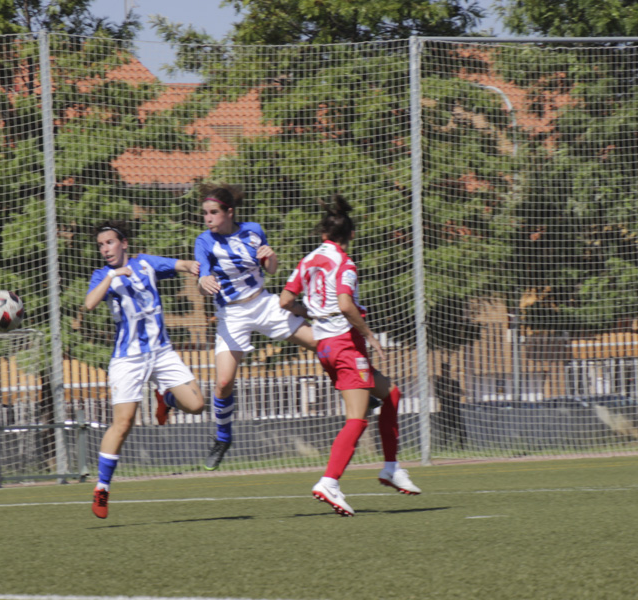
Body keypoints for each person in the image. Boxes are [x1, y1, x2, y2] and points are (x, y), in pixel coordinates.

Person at [279, 194, 421, 517]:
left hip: (324, 345)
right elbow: (345, 304)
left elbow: (285, 301)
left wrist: (315, 312)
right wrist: (370, 335)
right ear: (351, 236)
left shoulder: (308, 260)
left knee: (391, 393)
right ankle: (329, 481)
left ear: (323, 235)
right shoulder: (345, 263)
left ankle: (390, 466)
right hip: (344, 343)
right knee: (356, 418)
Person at [83, 220, 206, 518]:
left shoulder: (146, 263)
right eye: (101, 245)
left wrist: (194, 265)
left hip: (162, 352)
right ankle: (102, 489)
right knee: (123, 423)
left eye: (109, 243)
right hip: (128, 359)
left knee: (198, 404)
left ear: (124, 243)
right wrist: (113, 275)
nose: (105, 249)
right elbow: (88, 304)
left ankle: (166, 398)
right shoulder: (103, 275)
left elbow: (181, 264)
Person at [193, 183, 319, 470]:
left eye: (213, 212)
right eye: (205, 213)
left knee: (320, 343)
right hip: (232, 315)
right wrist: (202, 283)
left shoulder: (253, 230)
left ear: (229, 212)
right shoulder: (204, 241)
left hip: (263, 304)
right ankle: (223, 438)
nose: (208, 218)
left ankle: (355, 387)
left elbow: (271, 269)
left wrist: (271, 257)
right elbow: (202, 282)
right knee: (223, 383)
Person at [434, 361, 467, 448]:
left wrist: (451, 393)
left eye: (447, 369)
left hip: (455, 408)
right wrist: (450, 393)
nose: (446, 371)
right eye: (444, 370)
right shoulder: (439, 382)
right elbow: (440, 394)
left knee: (459, 427)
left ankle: (462, 445)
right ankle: (444, 446)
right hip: (445, 408)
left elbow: (460, 393)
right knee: (444, 428)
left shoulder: (455, 382)